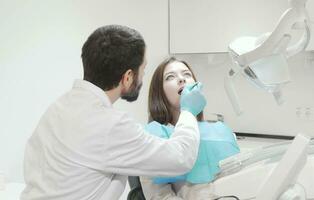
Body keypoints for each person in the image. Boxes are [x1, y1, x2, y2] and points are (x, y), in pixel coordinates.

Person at [21, 25, 207, 200]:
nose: (181, 80)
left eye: (186, 74)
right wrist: (189, 110)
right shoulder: (111, 125)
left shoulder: (58, 108)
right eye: (142, 70)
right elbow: (181, 158)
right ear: (127, 78)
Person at [138, 57, 240, 200]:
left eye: (187, 74)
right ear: (159, 92)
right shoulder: (153, 137)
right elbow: (159, 196)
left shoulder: (221, 131)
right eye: (170, 77)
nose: (181, 79)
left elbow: (239, 179)